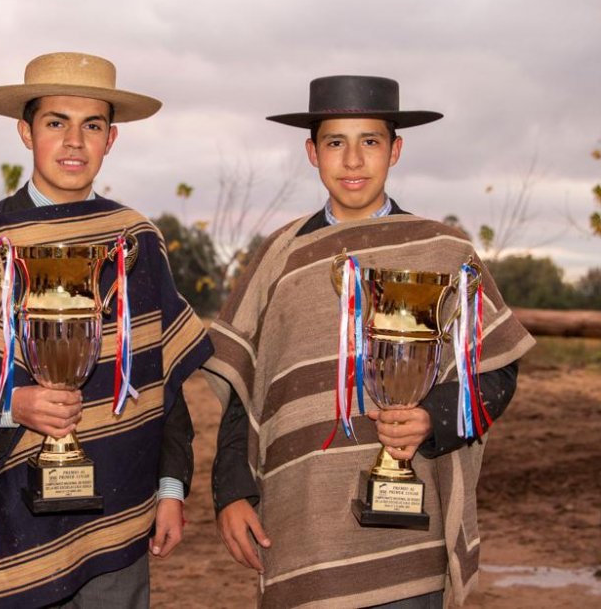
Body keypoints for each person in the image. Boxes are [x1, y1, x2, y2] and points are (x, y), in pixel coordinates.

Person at [0, 52, 213, 607]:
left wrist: (171, 487)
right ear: (26, 132)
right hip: (10, 514)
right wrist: (11, 406)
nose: (75, 141)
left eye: (91, 125)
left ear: (111, 139)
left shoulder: (137, 241)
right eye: (57, 123)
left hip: (120, 518)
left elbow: (162, 378)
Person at [203, 75, 535, 608]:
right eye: (336, 143)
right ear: (312, 152)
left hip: (409, 533)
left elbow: (497, 371)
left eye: (371, 142)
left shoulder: (444, 251)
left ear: (396, 150)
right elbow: (246, 383)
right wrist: (232, 490)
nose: (353, 160)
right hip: (301, 523)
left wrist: (433, 417)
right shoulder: (280, 257)